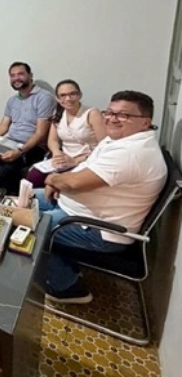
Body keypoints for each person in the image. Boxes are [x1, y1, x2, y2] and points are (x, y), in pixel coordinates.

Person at [36, 91, 166, 304]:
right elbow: (82, 171)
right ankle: (64, 267)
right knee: (25, 199)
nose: (112, 119)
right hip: (78, 208)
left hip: (99, 230)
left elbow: (74, 183)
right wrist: (58, 183)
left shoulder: (131, 152)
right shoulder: (118, 140)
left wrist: (52, 179)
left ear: (145, 122)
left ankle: (67, 288)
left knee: (29, 225)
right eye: (110, 112)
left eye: (123, 115)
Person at [0, 61, 56, 194]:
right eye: (12, 75)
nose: (16, 78)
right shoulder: (12, 100)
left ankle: (11, 190)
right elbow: (3, 127)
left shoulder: (44, 98)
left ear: (30, 75)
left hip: (32, 147)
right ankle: (8, 183)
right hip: (9, 142)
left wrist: (19, 151)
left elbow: (40, 133)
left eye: (20, 74)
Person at [26, 79, 106, 187]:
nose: (68, 99)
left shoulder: (92, 113)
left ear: (80, 95)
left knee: (59, 182)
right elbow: (52, 140)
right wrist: (56, 153)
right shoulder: (59, 114)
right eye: (63, 95)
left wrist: (76, 160)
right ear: (57, 98)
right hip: (64, 159)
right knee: (34, 176)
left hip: (88, 159)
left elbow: (104, 145)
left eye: (72, 94)